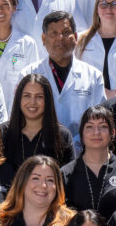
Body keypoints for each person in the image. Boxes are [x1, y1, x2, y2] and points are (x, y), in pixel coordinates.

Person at [24, 11, 106, 141]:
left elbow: (100, 119)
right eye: (53, 33)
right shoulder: (28, 74)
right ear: (43, 39)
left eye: (66, 32)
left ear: (75, 36)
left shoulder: (93, 76)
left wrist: (74, 144)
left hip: (82, 150)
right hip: (39, 149)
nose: (60, 37)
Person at [60, 104, 116, 219]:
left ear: (112, 133)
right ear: (82, 134)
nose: (96, 132)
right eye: (89, 127)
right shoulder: (64, 174)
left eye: (103, 126)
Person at [0, 73, 73, 170]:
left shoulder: (62, 135)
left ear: (47, 100)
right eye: (27, 96)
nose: (32, 102)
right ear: (18, 98)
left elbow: (68, 177)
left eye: (39, 96)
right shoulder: (2, 132)